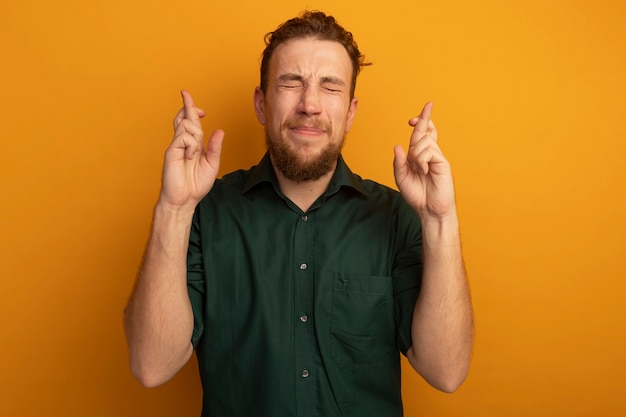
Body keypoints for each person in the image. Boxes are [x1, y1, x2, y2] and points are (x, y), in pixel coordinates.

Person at [124, 10, 473, 417]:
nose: (310, 105)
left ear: (351, 111)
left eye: (330, 87)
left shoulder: (396, 215)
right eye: (291, 83)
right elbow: (151, 366)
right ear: (261, 102)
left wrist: (439, 220)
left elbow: (446, 372)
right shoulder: (205, 213)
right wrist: (174, 209)